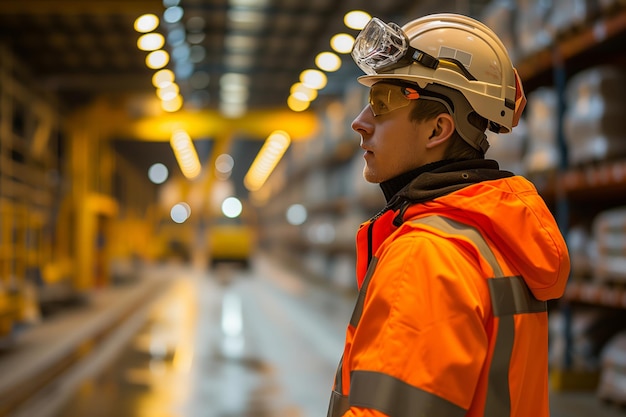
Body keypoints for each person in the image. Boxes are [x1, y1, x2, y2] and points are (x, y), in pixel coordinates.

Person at [327, 13, 570, 417]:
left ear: (437, 129)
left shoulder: (426, 256)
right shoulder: (494, 243)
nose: (360, 123)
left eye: (381, 103)